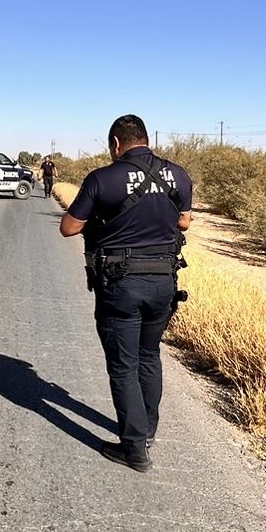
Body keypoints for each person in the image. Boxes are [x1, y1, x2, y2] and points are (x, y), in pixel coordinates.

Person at [59, 115, 193, 473]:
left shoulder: (103, 178)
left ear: (116, 144)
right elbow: (184, 221)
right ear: (145, 140)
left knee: (123, 364)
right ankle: (147, 432)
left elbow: (69, 228)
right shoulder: (178, 174)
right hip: (164, 281)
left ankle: (133, 449)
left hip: (120, 284)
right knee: (149, 356)